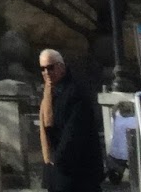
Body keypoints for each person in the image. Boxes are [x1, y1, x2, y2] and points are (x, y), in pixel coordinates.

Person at [39, 48, 104, 192]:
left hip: (77, 170)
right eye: (43, 69)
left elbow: (74, 131)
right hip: (58, 169)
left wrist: (58, 159)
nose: (46, 72)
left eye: (50, 67)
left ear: (61, 67)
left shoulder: (76, 91)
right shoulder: (49, 93)